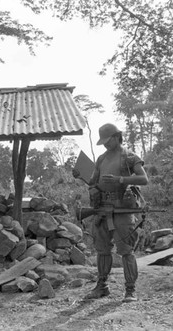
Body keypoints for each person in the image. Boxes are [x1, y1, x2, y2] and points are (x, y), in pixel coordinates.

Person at [74, 123, 148, 302]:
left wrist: (120, 179)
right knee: (102, 250)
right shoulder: (101, 159)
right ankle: (102, 286)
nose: (106, 145)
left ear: (117, 137)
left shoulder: (129, 157)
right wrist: (79, 175)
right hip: (102, 209)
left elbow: (144, 179)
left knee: (126, 250)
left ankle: (130, 290)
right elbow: (93, 182)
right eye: (104, 142)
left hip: (122, 209)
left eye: (108, 141)